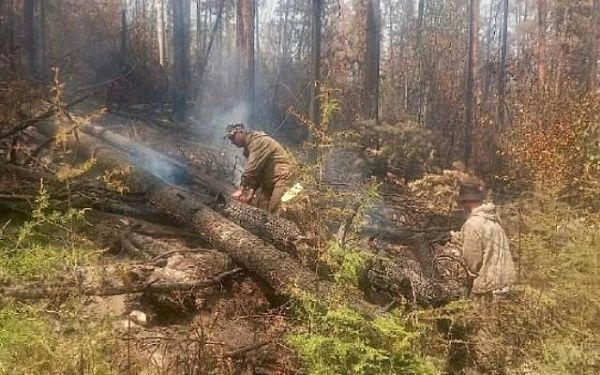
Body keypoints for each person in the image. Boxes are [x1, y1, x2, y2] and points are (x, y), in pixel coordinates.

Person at [457, 177, 516, 300]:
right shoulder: (494, 219)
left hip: (488, 289)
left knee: (483, 318)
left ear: (466, 201)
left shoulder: (473, 224)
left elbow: (472, 262)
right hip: (506, 283)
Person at [224, 123, 295, 214]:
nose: (232, 142)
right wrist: (251, 193)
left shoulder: (258, 142)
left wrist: (240, 190)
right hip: (271, 181)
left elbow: (251, 168)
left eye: (233, 137)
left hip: (284, 178)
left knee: (275, 211)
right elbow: (257, 172)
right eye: (230, 139)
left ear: (240, 132)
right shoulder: (248, 149)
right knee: (260, 210)